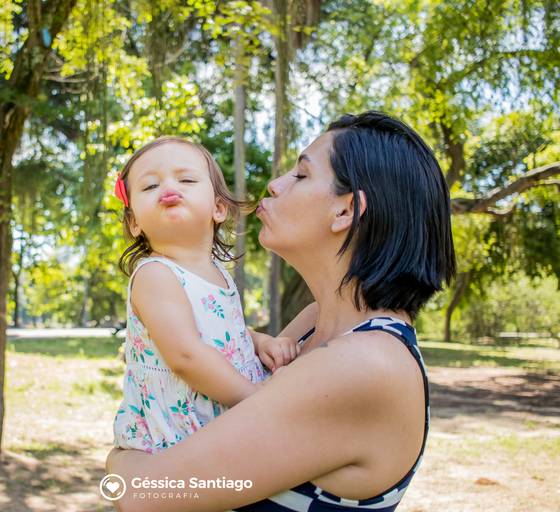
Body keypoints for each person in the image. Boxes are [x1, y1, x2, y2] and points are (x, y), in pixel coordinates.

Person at [106, 112, 456, 511]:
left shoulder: (366, 364)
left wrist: (118, 461)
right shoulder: (314, 323)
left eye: (301, 175)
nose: (274, 184)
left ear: (345, 212)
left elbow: (142, 497)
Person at [111, 136, 306, 454]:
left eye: (186, 179)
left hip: (223, 420)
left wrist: (261, 342)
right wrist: (258, 401)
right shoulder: (155, 275)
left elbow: (220, 333)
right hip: (179, 436)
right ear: (134, 222)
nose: (168, 187)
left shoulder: (217, 272)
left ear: (218, 208)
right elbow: (186, 356)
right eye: (149, 186)